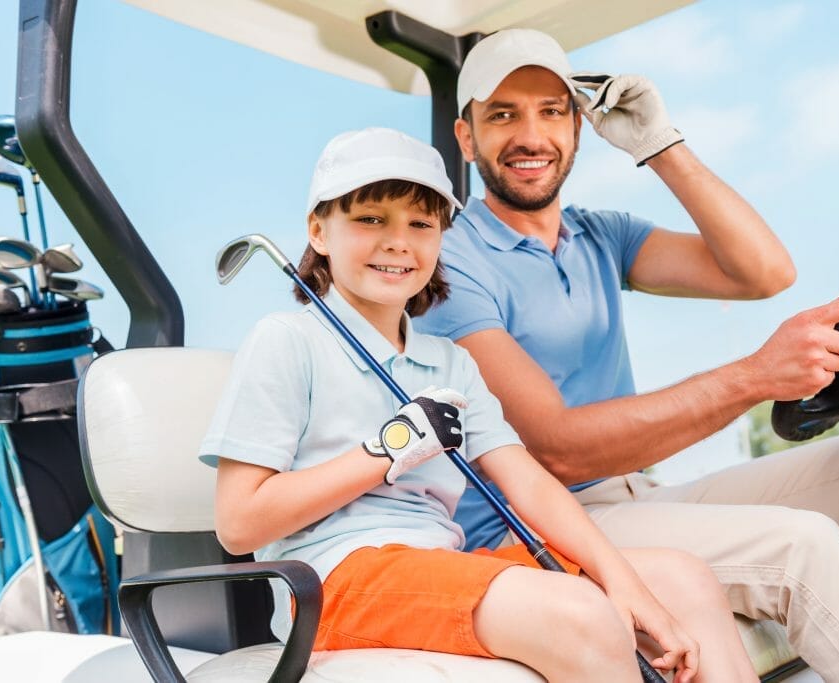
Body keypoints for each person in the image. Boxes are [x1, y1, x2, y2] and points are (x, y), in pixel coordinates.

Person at [414, 28, 839, 682]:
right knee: (803, 547)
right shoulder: (449, 260)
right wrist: (757, 375)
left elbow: (763, 271)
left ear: (578, 128)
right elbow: (558, 448)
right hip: (538, 530)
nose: (530, 135)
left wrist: (661, 146)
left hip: (640, 498)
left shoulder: (599, 235)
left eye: (551, 110)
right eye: (502, 115)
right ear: (466, 137)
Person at [198, 127, 760, 682]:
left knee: (681, 580)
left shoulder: (450, 363)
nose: (398, 241)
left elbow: (530, 484)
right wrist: (389, 449)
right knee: (580, 616)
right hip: (331, 583)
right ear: (319, 230)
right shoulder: (287, 339)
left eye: (421, 224)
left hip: (443, 564)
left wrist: (623, 581)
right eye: (371, 219)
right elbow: (240, 525)